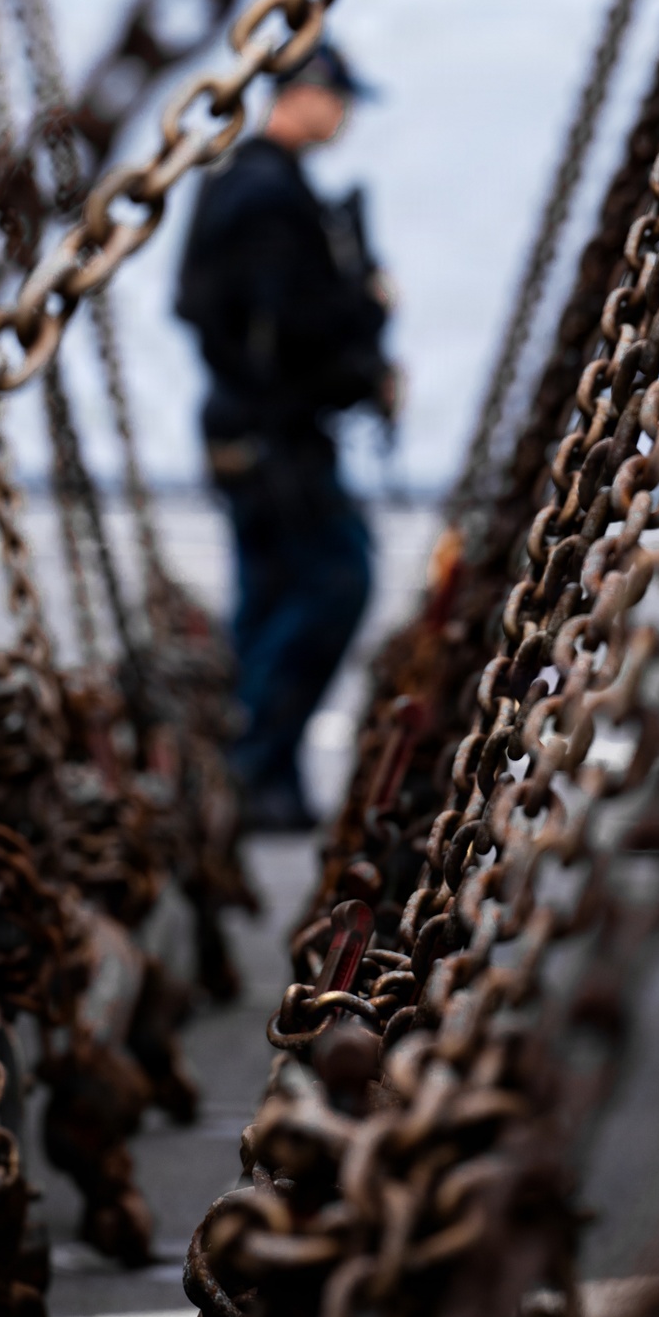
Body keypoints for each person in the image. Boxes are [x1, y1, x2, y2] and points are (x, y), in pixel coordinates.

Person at [175, 42, 398, 830]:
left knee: (268, 596)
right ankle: (254, 764)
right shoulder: (272, 197)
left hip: (247, 426)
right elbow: (293, 324)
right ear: (303, 95)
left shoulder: (241, 186)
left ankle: (257, 779)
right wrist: (368, 311)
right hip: (277, 435)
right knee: (335, 580)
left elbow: (204, 308)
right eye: (336, 99)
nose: (342, 116)